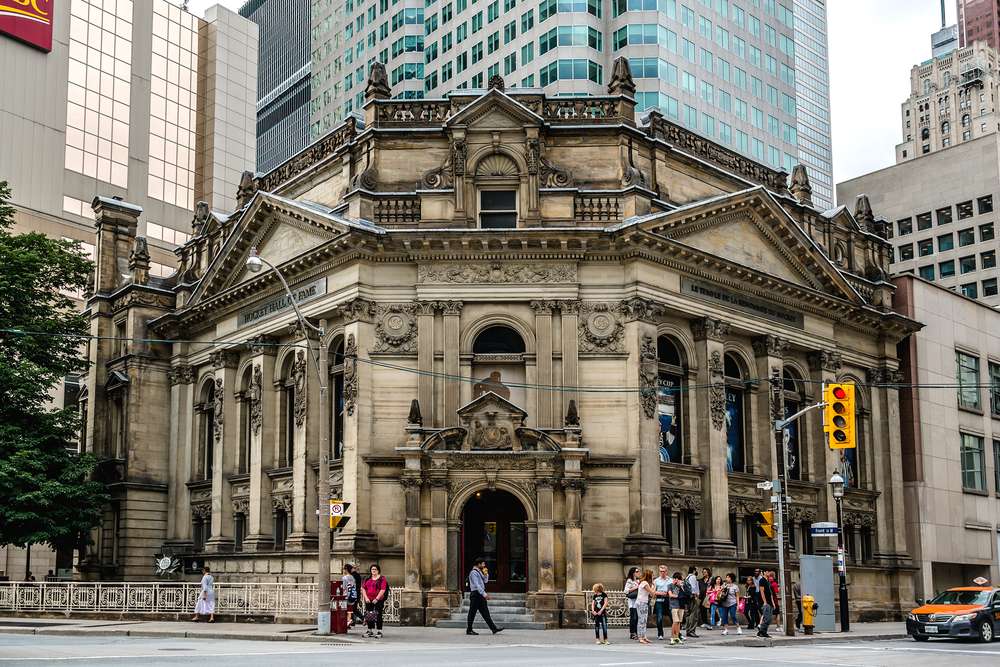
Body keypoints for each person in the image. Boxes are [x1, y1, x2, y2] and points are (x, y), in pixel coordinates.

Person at [466, 556, 504, 635]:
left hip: (479, 594)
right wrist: (484, 594)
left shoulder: (479, 571)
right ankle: (469, 630)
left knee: (485, 612)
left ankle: (493, 628)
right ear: (478, 564)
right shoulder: (473, 573)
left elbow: (485, 581)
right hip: (476, 594)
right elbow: (477, 585)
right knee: (472, 612)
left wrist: (486, 574)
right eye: (483, 564)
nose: (484, 565)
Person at [362, 563, 389, 638]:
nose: (373, 571)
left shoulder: (382, 579)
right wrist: (366, 598)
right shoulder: (367, 578)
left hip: (378, 600)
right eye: (372, 569)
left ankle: (379, 631)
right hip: (368, 599)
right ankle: (370, 630)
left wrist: (377, 598)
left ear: (378, 571)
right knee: (369, 615)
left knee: (378, 614)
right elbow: (363, 588)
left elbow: (383, 589)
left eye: (375, 569)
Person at [635, 569, 654, 644]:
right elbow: (652, 593)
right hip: (641, 603)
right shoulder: (645, 583)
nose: (653, 576)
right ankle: (640, 637)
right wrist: (654, 585)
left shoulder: (644, 583)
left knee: (644, 620)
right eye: (652, 575)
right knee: (641, 620)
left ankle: (644, 636)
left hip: (644, 602)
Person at [652, 565, 671, 640]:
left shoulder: (670, 580)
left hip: (668, 599)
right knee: (659, 618)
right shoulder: (656, 581)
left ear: (666, 571)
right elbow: (653, 591)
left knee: (673, 617)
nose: (662, 573)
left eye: (664, 571)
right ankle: (660, 634)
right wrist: (660, 593)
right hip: (659, 600)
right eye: (661, 571)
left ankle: (676, 634)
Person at [667, 571, 686, 645]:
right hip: (674, 605)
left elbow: (685, 593)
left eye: (678, 579)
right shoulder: (670, 585)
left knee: (679, 622)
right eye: (675, 578)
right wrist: (678, 596)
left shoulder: (681, 586)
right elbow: (671, 595)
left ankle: (677, 637)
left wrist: (681, 586)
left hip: (681, 605)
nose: (676, 580)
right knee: (675, 621)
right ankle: (672, 637)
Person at [756, 568, 776, 638]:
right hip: (765, 602)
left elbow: (770, 593)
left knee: (769, 618)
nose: (769, 573)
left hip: (769, 602)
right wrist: (764, 602)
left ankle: (762, 632)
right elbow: (762, 591)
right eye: (767, 572)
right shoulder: (762, 580)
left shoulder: (768, 581)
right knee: (766, 618)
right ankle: (762, 632)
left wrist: (773, 602)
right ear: (764, 572)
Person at [624, 567, 640, 640]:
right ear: (633, 573)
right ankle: (632, 633)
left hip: (638, 601)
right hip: (632, 601)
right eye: (637, 571)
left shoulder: (638, 580)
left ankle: (636, 633)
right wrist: (636, 587)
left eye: (638, 571)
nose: (638, 572)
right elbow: (626, 591)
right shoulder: (629, 581)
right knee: (633, 617)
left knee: (636, 618)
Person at [684, 566, 700, 638]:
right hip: (692, 597)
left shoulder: (687, 577)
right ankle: (691, 630)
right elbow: (693, 588)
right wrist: (695, 596)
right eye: (696, 570)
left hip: (687, 598)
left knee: (688, 614)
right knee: (694, 614)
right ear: (694, 570)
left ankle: (688, 630)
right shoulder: (693, 577)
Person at [341, 564, 358, 630]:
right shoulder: (352, 577)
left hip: (346, 595)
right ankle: (349, 620)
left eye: (344, 569)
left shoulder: (344, 578)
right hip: (353, 595)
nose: (343, 570)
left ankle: (348, 622)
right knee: (350, 610)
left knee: (345, 609)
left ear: (346, 569)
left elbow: (343, 587)